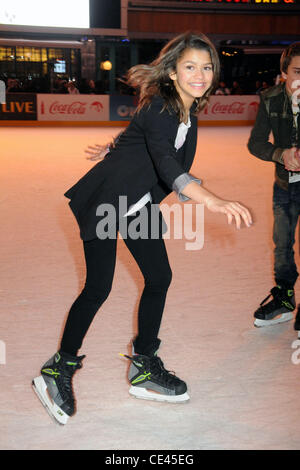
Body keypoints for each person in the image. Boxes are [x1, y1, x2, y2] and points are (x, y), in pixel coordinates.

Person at [32, 32, 252, 425]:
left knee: (159, 276)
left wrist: (116, 146)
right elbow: (168, 163)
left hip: (138, 203)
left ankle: (145, 363)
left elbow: (152, 143)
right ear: (171, 72)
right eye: (190, 66)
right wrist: (212, 199)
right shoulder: (161, 109)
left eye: (206, 67)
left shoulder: (185, 112)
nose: (199, 74)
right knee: (99, 287)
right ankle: (58, 367)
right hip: (106, 200)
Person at [248, 42, 300, 329]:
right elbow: (255, 143)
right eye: (297, 71)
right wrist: (280, 154)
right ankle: (285, 298)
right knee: (282, 245)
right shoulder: (270, 99)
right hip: (284, 186)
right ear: (283, 72)